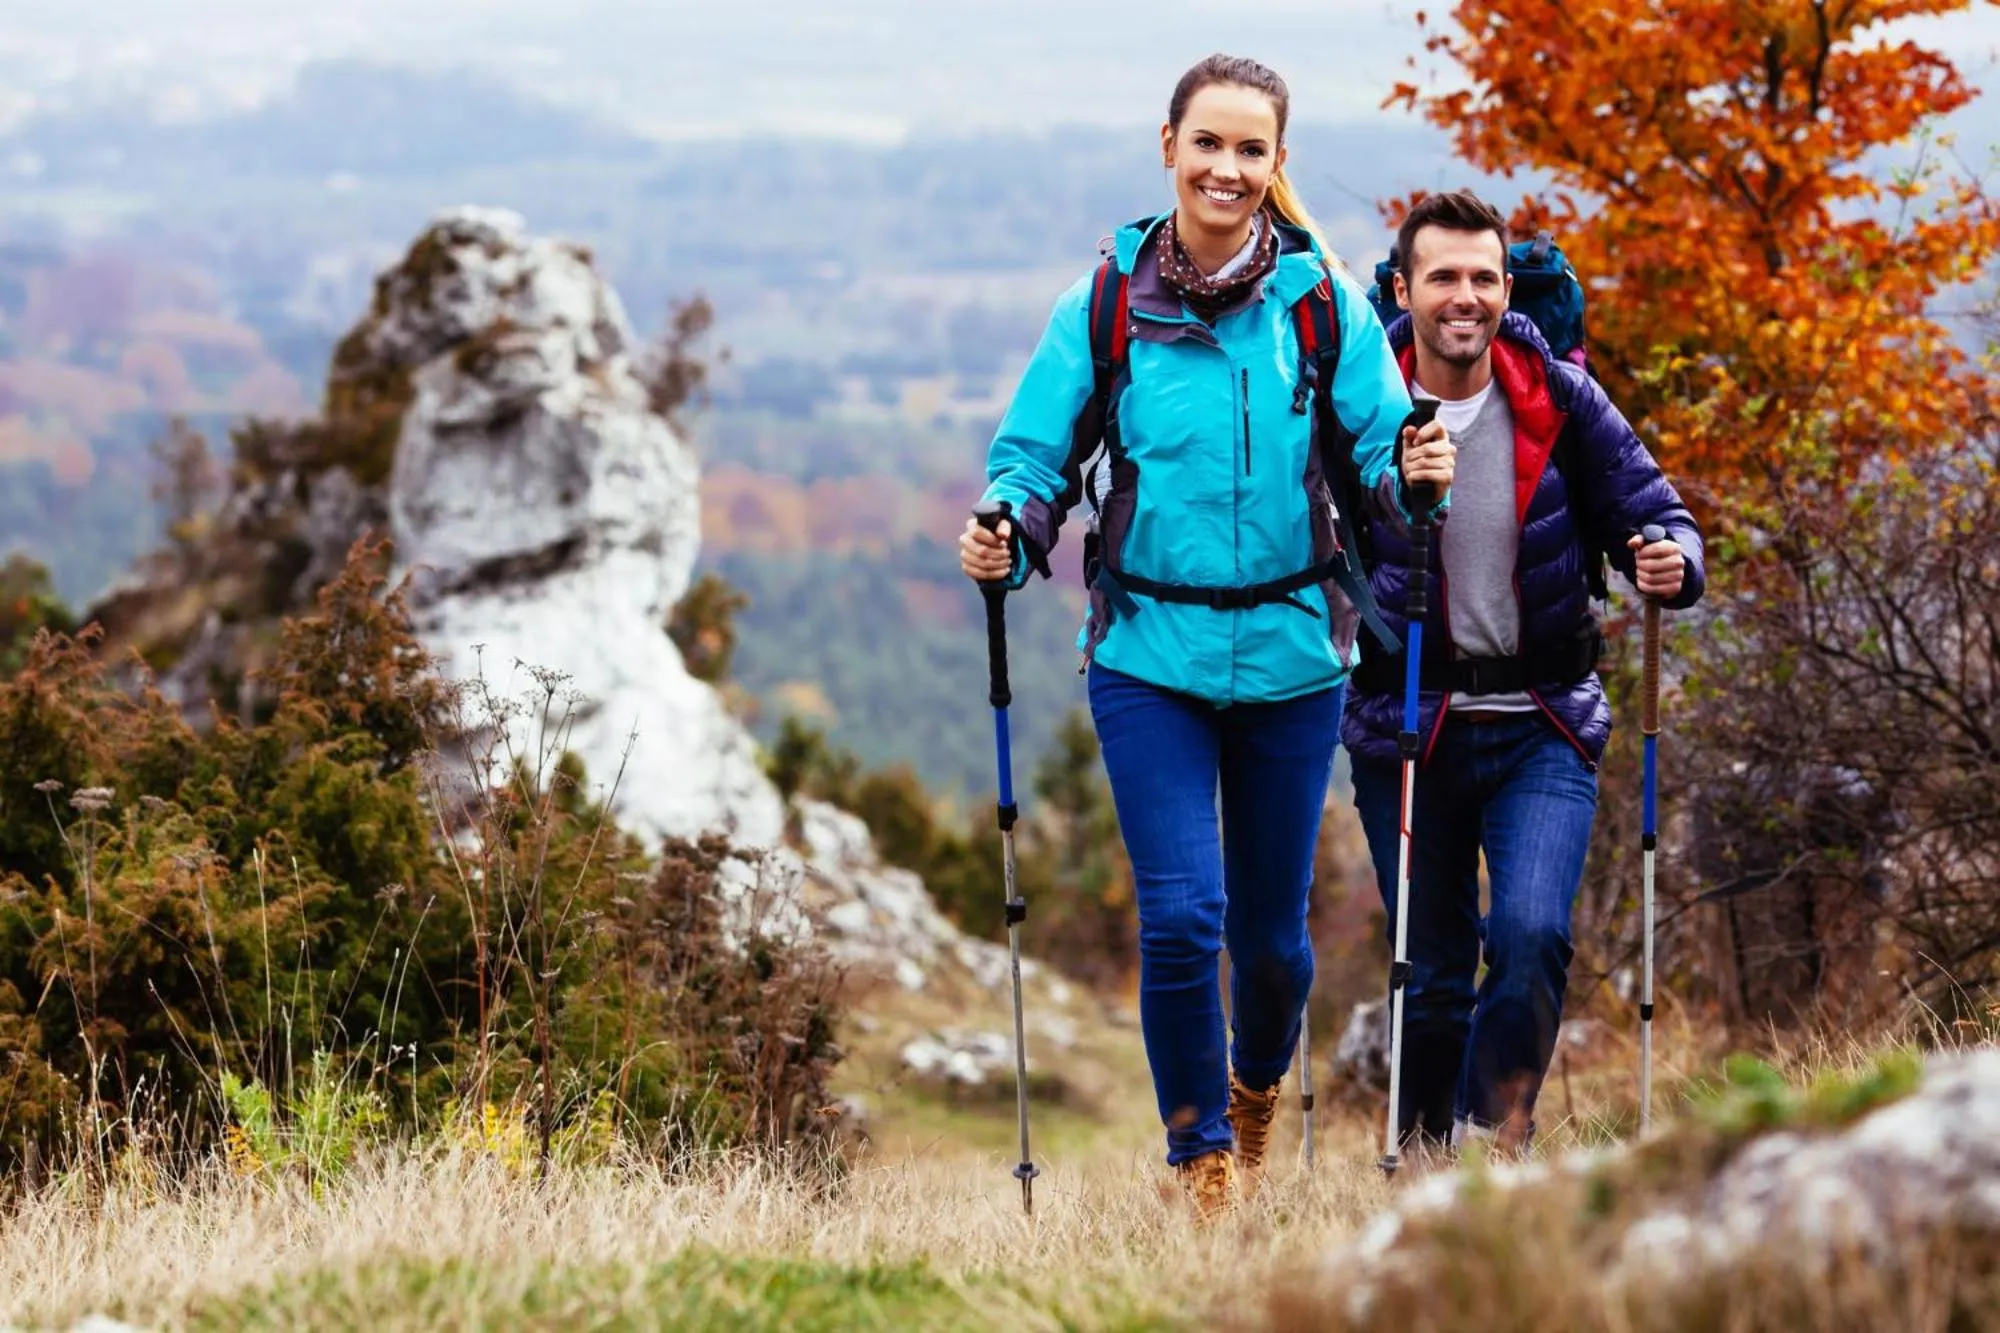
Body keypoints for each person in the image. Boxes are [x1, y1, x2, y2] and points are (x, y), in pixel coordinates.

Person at [956, 53, 1447, 1220]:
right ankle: (1200, 1162)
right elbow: (1035, 457)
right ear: (1166, 147)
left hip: (1290, 656)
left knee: (1272, 947)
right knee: (1182, 918)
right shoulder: (1106, 303)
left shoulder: (1318, 301)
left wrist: (1413, 476)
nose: (1226, 168)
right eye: (1207, 144)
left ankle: (1254, 1085)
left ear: (1277, 166)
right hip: (1147, 657)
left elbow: (1380, 450)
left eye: (1250, 150)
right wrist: (1009, 534)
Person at [1342, 188, 1707, 1155]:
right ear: (1405, 289)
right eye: (1443, 278)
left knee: (1534, 937)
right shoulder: (1363, 401)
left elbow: (1655, 509)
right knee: (1429, 969)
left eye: (1483, 277)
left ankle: (1490, 1142)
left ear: (1508, 288)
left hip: (1542, 717)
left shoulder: (1558, 393)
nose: (1465, 297)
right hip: (1404, 723)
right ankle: (1421, 1166)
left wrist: (1671, 558)